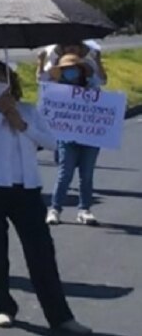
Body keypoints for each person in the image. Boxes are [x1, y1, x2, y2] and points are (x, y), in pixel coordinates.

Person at [0, 60, 90, 334]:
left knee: (41, 252)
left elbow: (52, 142)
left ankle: (60, 316)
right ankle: (3, 307)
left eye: (1, 78)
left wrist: (21, 124)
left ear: (11, 81)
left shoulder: (28, 109)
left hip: (25, 188)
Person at [47, 54, 103, 226]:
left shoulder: (92, 89)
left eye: (73, 69)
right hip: (66, 139)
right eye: (66, 70)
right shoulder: (56, 91)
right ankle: (55, 208)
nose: (70, 72)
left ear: (81, 71)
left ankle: (84, 209)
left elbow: (102, 110)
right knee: (65, 174)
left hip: (90, 137)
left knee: (86, 175)